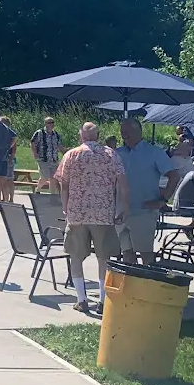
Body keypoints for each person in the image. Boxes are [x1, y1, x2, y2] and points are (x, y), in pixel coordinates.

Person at [56, 121, 127, 316]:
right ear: (98, 135)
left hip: (77, 213)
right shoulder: (111, 155)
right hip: (103, 214)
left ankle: (82, 299)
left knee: (76, 256)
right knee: (103, 258)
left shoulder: (71, 155)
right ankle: (103, 302)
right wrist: (122, 208)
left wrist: (65, 207)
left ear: (81, 135)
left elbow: (64, 184)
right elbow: (122, 183)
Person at [115, 117, 181, 267]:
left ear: (138, 131)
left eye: (127, 131)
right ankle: (131, 288)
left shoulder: (154, 153)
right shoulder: (117, 153)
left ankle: (147, 285)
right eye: (122, 132)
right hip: (121, 212)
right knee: (127, 254)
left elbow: (174, 176)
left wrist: (163, 200)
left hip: (143, 211)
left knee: (146, 255)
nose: (124, 135)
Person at [31, 117, 64, 193]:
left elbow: (59, 146)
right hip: (43, 159)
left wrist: (64, 153)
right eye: (49, 123)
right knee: (45, 177)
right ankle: (38, 189)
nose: (51, 124)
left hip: (54, 159)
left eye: (53, 122)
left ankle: (52, 195)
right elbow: (33, 143)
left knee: (53, 178)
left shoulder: (56, 134)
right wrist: (35, 153)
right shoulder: (39, 133)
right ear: (45, 124)